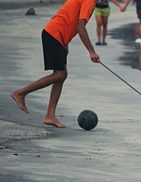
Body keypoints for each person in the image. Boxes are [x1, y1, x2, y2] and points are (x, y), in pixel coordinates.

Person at [10, 0, 100, 128]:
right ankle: (20, 93)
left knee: (62, 74)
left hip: (56, 35)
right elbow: (80, 27)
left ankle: (50, 115)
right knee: (59, 75)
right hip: (54, 34)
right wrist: (91, 51)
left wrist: (66, 42)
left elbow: (68, 17)